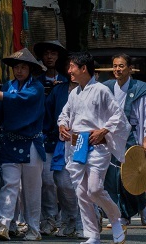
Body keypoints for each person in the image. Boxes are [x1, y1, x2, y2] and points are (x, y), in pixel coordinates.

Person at [58, 51, 131, 244]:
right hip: (78, 145)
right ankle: (93, 235)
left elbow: (118, 116)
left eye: (72, 66)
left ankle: (116, 219)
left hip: (96, 145)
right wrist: (62, 126)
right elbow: (64, 114)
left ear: (83, 68)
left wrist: (104, 130)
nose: (69, 71)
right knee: (82, 192)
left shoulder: (101, 90)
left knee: (94, 189)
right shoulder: (74, 93)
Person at [0, 47, 46, 242]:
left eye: (23, 67)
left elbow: (17, 100)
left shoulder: (37, 88)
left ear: (30, 69)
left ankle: (34, 229)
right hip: (10, 142)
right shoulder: (8, 85)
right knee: (9, 185)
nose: (19, 71)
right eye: (16, 67)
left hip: (31, 144)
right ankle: (4, 225)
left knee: (32, 190)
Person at [103, 53, 146, 227]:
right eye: (115, 66)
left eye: (121, 66)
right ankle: (121, 214)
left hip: (131, 137)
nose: (117, 69)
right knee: (113, 177)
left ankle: (141, 209)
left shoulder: (140, 89)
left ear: (130, 69)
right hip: (110, 138)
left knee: (131, 176)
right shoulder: (106, 87)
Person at [34, 40, 69, 236]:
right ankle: (48, 217)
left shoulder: (67, 82)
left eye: (53, 54)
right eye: (46, 54)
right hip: (43, 137)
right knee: (46, 181)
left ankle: (67, 218)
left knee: (65, 183)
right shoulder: (35, 82)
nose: (50, 57)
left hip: (64, 139)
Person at [43, 64, 82, 238]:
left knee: (84, 185)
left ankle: (84, 223)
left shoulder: (95, 90)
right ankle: (69, 219)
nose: (70, 71)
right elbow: (52, 114)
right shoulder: (59, 90)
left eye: (74, 67)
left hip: (86, 143)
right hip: (60, 142)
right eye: (70, 67)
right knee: (63, 183)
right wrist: (56, 129)